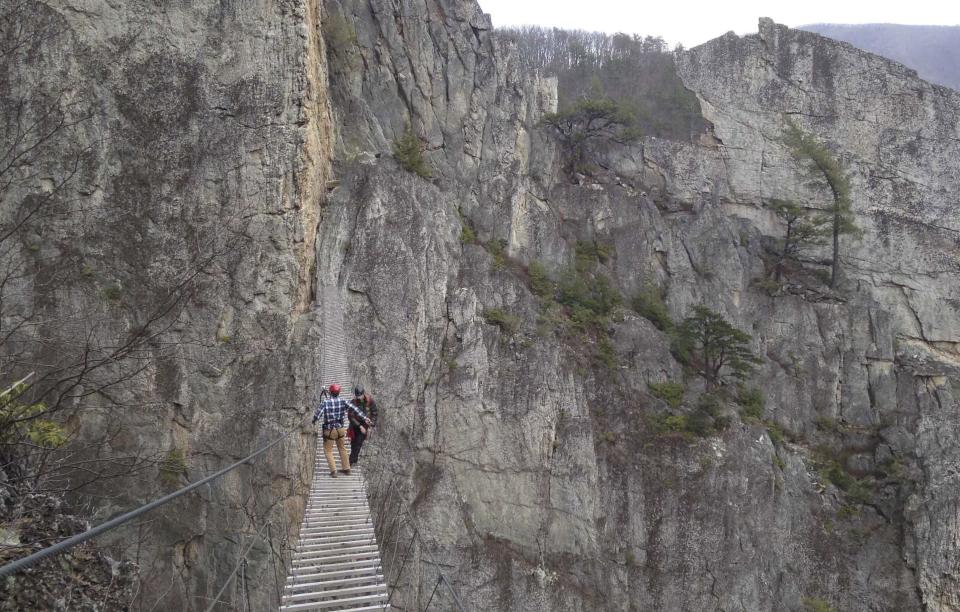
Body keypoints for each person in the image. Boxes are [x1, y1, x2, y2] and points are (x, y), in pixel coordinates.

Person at [312, 383, 370, 477]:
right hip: (340, 430)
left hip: (329, 430)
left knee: (328, 450)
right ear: (339, 392)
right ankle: (347, 469)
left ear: (330, 392)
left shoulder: (325, 403)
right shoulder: (343, 401)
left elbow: (317, 415)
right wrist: (365, 418)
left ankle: (334, 471)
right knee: (342, 448)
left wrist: (313, 420)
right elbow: (355, 409)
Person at [347, 386, 378, 466]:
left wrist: (372, 424)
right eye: (357, 396)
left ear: (363, 394)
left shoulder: (370, 401)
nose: (359, 398)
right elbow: (350, 416)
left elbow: (374, 413)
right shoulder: (353, 402)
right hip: (355, 425)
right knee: (353, 444)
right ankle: (354, 459)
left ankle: (350, 462)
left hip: (365, 425)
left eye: (360, 396)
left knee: (358, 443)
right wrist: (359, 426)